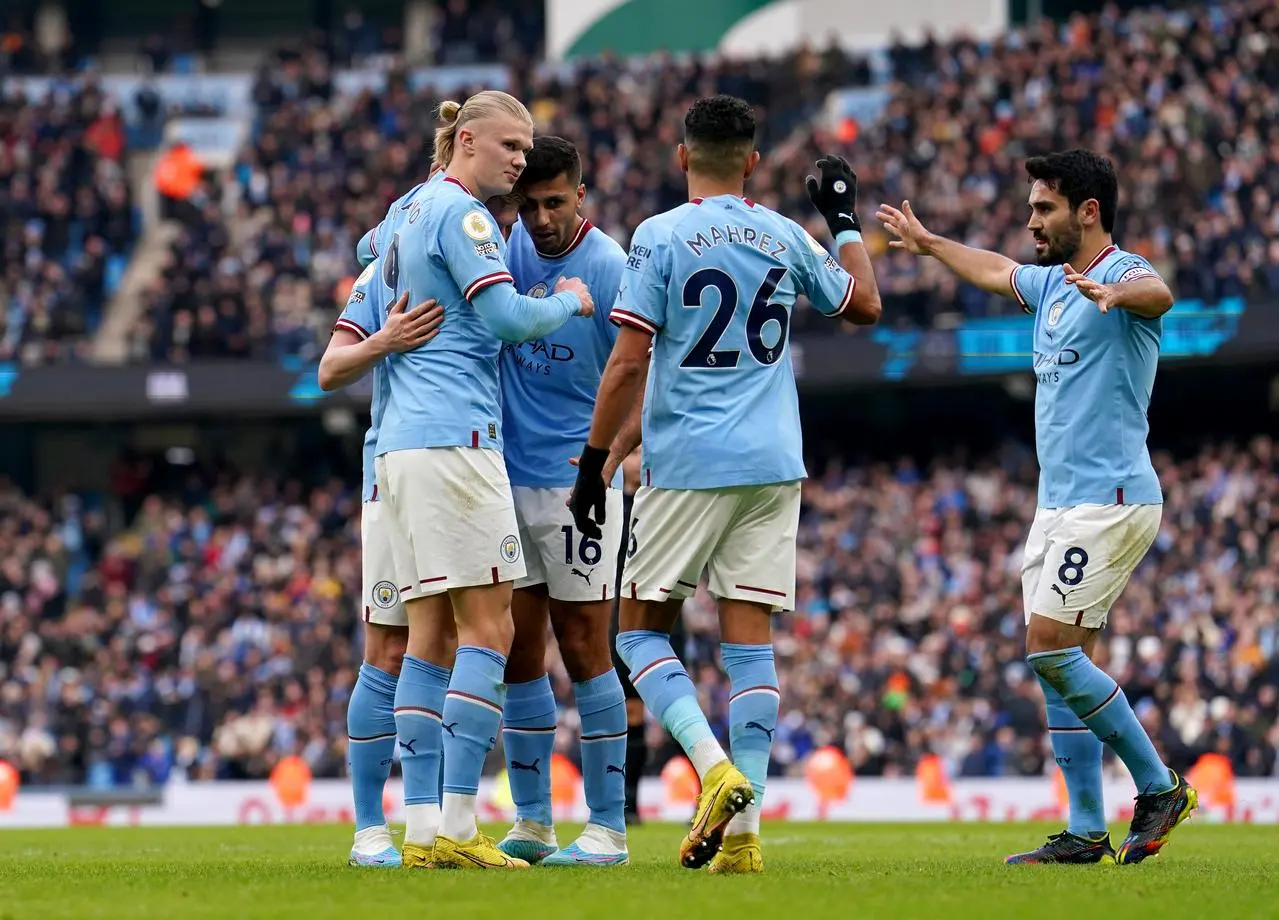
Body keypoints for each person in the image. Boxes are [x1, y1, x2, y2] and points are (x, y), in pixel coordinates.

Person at [568, 94, 882, 873]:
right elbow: (864, 305)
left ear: (682, 157)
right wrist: (842, 219)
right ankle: (743, 844)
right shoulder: (783, 233)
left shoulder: (660, 236)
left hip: (690, 465)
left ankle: (714, 771)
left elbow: (630, 361)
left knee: (638, 633)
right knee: (751, 649)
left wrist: (593, 460)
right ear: (751, 161)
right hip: (774, 463)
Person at [876, 148, 1197, 866]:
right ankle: (1085, 830)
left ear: (1087, 211)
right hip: (1057, 506)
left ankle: (1158, 786)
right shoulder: (1051, 284)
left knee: (1047, 649)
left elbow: (1159, 292)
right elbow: (994, 269)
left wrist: (1119, 298)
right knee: (1061, 661)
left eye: (1042, 208)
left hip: (1110, 500)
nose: (1030, 221)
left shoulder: (1115, 272)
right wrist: (929, 245)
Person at [372, 90, 595, 870]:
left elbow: (372, 246)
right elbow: (505, 319)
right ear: (466, 140)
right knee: (491, 629)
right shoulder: (466, 216)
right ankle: (463, 827)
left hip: (399, 448)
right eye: (509, 146)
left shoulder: (409, 210)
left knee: (428, 638)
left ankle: (424, 825)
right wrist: (564, 300)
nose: (519, 160)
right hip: (455, 443)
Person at [485, 136, 631, 868]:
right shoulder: (503, 246)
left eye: (554, 203)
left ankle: (606, 829)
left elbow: (646, 373)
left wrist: (612, 459)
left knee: (583, 646)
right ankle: (534, 822)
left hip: (580, 483)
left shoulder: (608, 268)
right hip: (505, 478)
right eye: (528, 204)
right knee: (518, 651)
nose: (540, 219)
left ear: (580, 196)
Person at [316, 263, 444, 867]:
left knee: (472, 641)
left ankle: (437, 821)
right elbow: (329, 369)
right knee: (389, 648)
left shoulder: (502, 253)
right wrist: (384, 341)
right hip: (394, 476)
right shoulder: (389, 267)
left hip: (484, 468)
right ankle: (370, 828)